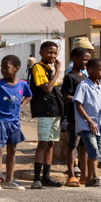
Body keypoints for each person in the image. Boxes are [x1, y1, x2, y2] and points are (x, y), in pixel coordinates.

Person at [0, 55, 32, 191]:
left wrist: (21, 104)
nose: (3, 70)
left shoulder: (22, 84)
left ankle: (9, 180)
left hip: (14, 123)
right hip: (0, 122)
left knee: (12, 152)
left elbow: (29, 95)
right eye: (1, 67)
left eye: (6, 67)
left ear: (16, 69)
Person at [29, 41, 64, 189]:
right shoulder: (38, 68)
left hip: (54, 112)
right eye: (50, 52)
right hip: (45, 111)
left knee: (50, 143)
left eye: (55, 53)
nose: (53, 56)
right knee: (43, 143)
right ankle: (37, 178)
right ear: (41, 52)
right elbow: (47, 89)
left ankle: (46, 177)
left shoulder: (48, 69)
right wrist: (58, 71)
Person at [73, 58, 101, 187]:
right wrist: (89, 120)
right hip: (87, 125)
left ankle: (90, 178)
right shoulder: (83, 86)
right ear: (90, 70)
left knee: (100, 153)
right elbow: (78, 105)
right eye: (100, 70)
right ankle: (95, 177)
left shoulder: (100, 87)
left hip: (100, 125)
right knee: (93, 151)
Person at [61, 46, 91, 187]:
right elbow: (66, 96)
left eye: (88, 60)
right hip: (74, 117)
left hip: (85, 118)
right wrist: (79, 100)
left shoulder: (85, 78)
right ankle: (71, 175)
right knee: (72, 145)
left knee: (84, 146)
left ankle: (84, 175)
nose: (86, 62)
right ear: (74, 59)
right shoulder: (69, 77)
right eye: (84, 59)